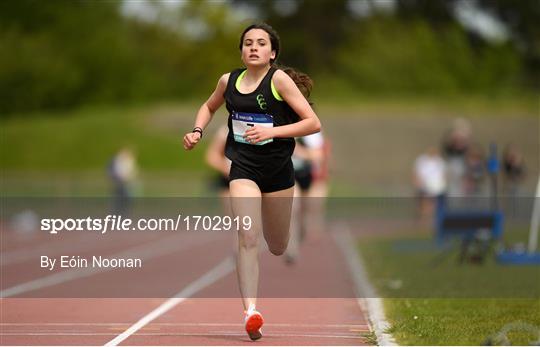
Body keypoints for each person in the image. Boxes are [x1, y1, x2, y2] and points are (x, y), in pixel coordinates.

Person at [183, 23, 321, 341]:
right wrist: (197, 130)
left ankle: (279, 249)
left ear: (272, 53)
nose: (253, 47)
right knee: (247, 235)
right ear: (242, 51)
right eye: (248, 43)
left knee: (277, 245)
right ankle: (251, 312)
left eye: (261, 43)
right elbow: (208, 106)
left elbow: (313, 123)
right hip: (243, 168)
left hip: (278, 173)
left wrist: (271, 132)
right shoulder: (228, 81)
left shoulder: (279, 81)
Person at [413, 146, 446, 224]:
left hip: (437, 187)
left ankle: (433, 220)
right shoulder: (421, 160)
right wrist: (418, 183)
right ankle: (423, 220)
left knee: (434, 205)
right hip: (424, 186)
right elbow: (416, 173)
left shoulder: (440, 161)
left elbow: (444, 175)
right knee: (424, 204)